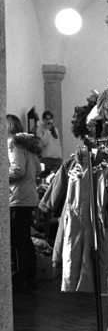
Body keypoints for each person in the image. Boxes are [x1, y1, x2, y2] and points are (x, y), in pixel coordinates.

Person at [7, 114, 42, 289]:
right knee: (25, 238)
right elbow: (38, 170)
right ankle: (30, 275)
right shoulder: (28, 144)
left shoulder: (13, 143)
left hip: (18, 198)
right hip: (28, 197)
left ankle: (20, 276)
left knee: (17, 239)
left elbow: (17, 171)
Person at [36, 110, 63, 174]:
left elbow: (58, 144)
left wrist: (60, 156)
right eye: (47, 119)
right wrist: (47, 131)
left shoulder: (55, 130)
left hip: (57, 159)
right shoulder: (39, 130)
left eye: (50, 119)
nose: (49, 121)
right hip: (47, 159)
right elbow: (43, 143)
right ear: (43, 120)